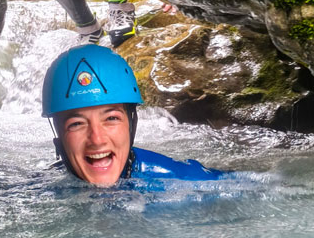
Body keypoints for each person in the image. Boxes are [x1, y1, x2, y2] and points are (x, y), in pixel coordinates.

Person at [41, 44, 224, 185]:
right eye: (76, 124)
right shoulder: (41, 192)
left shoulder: (185, 180)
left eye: (111, 118)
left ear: (131, 125)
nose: (97, 140)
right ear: (58, 137)